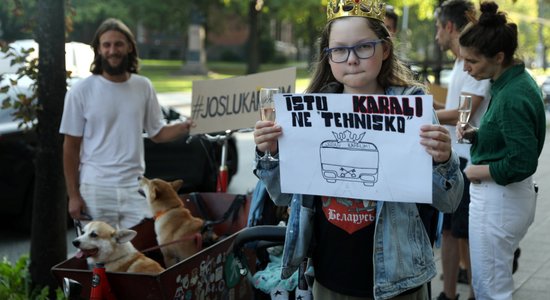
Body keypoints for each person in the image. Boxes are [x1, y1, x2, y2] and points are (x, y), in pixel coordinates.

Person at [253, 0, 464, 299]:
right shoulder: (309, 110)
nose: (351, 59)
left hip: (400, 282)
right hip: (329, 277)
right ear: (327, 57)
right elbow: (284, 195)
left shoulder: (412, 110)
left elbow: (449, 201)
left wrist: (443, 159)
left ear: (385, 49)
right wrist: (270, 153)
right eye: (339, 50)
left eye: (363, 47)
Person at [60, 18, 192, 229]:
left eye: (118, 44)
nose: (113, 50)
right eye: (107, 45)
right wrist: (73, 195)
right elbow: (70, 148)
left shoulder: (143, 86)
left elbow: (157, 133)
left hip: (135, 188)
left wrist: (186, 125)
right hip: (95, 189)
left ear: (129, 47)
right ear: (99, 49)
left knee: (141, 254)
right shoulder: (81, 91)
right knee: (100, 260)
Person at [457, 2, 546, 299]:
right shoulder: (509, 83)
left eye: (472, 61)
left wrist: (477, 170)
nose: (466, 68)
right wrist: (479, 136)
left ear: (498, 57)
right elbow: (508, 137)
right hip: (505, 200)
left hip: (500, 200)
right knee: (489, 284)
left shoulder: (512, 95)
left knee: (491, 290)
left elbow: (522, 161)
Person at [433, 1, 491, 299]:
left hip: (470, 158)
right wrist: (431, 106)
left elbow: (465, 114)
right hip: (454, 157)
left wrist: (423, 114)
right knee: (448, 232)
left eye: (437, 28)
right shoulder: (459, 62)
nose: (435, 37)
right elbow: (455, 109)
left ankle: (471, 295)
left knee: (465, 234)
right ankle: (449, 293)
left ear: (449, 27)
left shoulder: (472, 61)